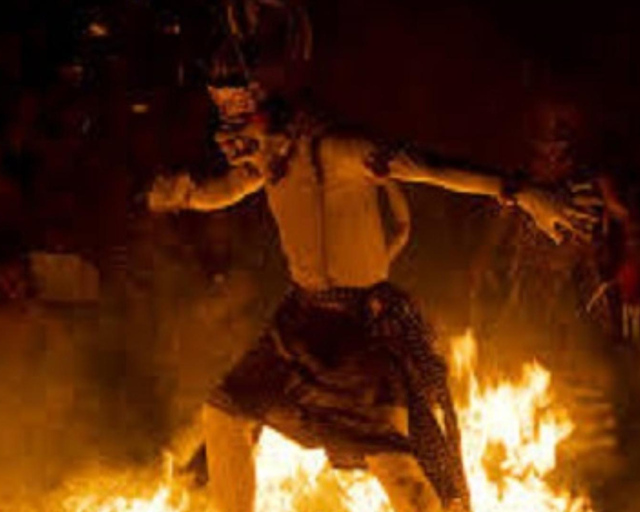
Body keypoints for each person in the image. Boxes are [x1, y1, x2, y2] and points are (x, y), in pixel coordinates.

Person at [146, 3, 598, 511]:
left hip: (359, 332)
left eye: (238, 116)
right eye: (224, 118)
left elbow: (430, 167)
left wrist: (522, 192)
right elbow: (224, 189)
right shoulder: (270, 157)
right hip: (298, 323)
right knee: (225, 415)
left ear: (269, 104)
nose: (231, 138)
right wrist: (185, 195)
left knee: (396, 470)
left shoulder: (338, 149)